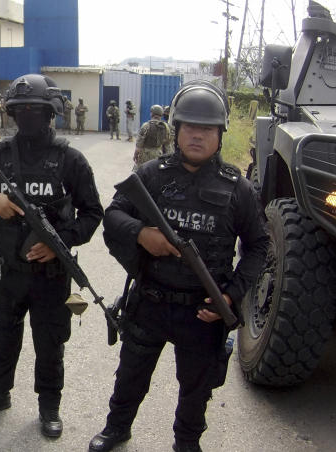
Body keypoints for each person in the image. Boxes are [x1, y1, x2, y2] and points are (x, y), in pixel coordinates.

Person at [88, 81, 268, 452]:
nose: (197, 136)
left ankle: (186, 443)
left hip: (202, 312)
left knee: (196, 389)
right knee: (131, 375)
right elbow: (113, 214)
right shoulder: (152, 174)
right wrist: (141, 234)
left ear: (220, 135)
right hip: (150, 301)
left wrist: (232, 296)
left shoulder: (239, 189)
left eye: (207, 130)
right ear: (177, 130)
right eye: (189, 127)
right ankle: (117, 428)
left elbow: (259, 246)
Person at [0, 74, 103, 440]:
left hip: (51, 273)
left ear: (50, 113)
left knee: (49, 341)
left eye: (35, 110)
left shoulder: (70, 159)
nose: (27, 116)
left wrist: (59, 241)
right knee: (4, 336)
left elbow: (92, 213)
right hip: (7, 268)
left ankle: (49, 406)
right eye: (20, 110)